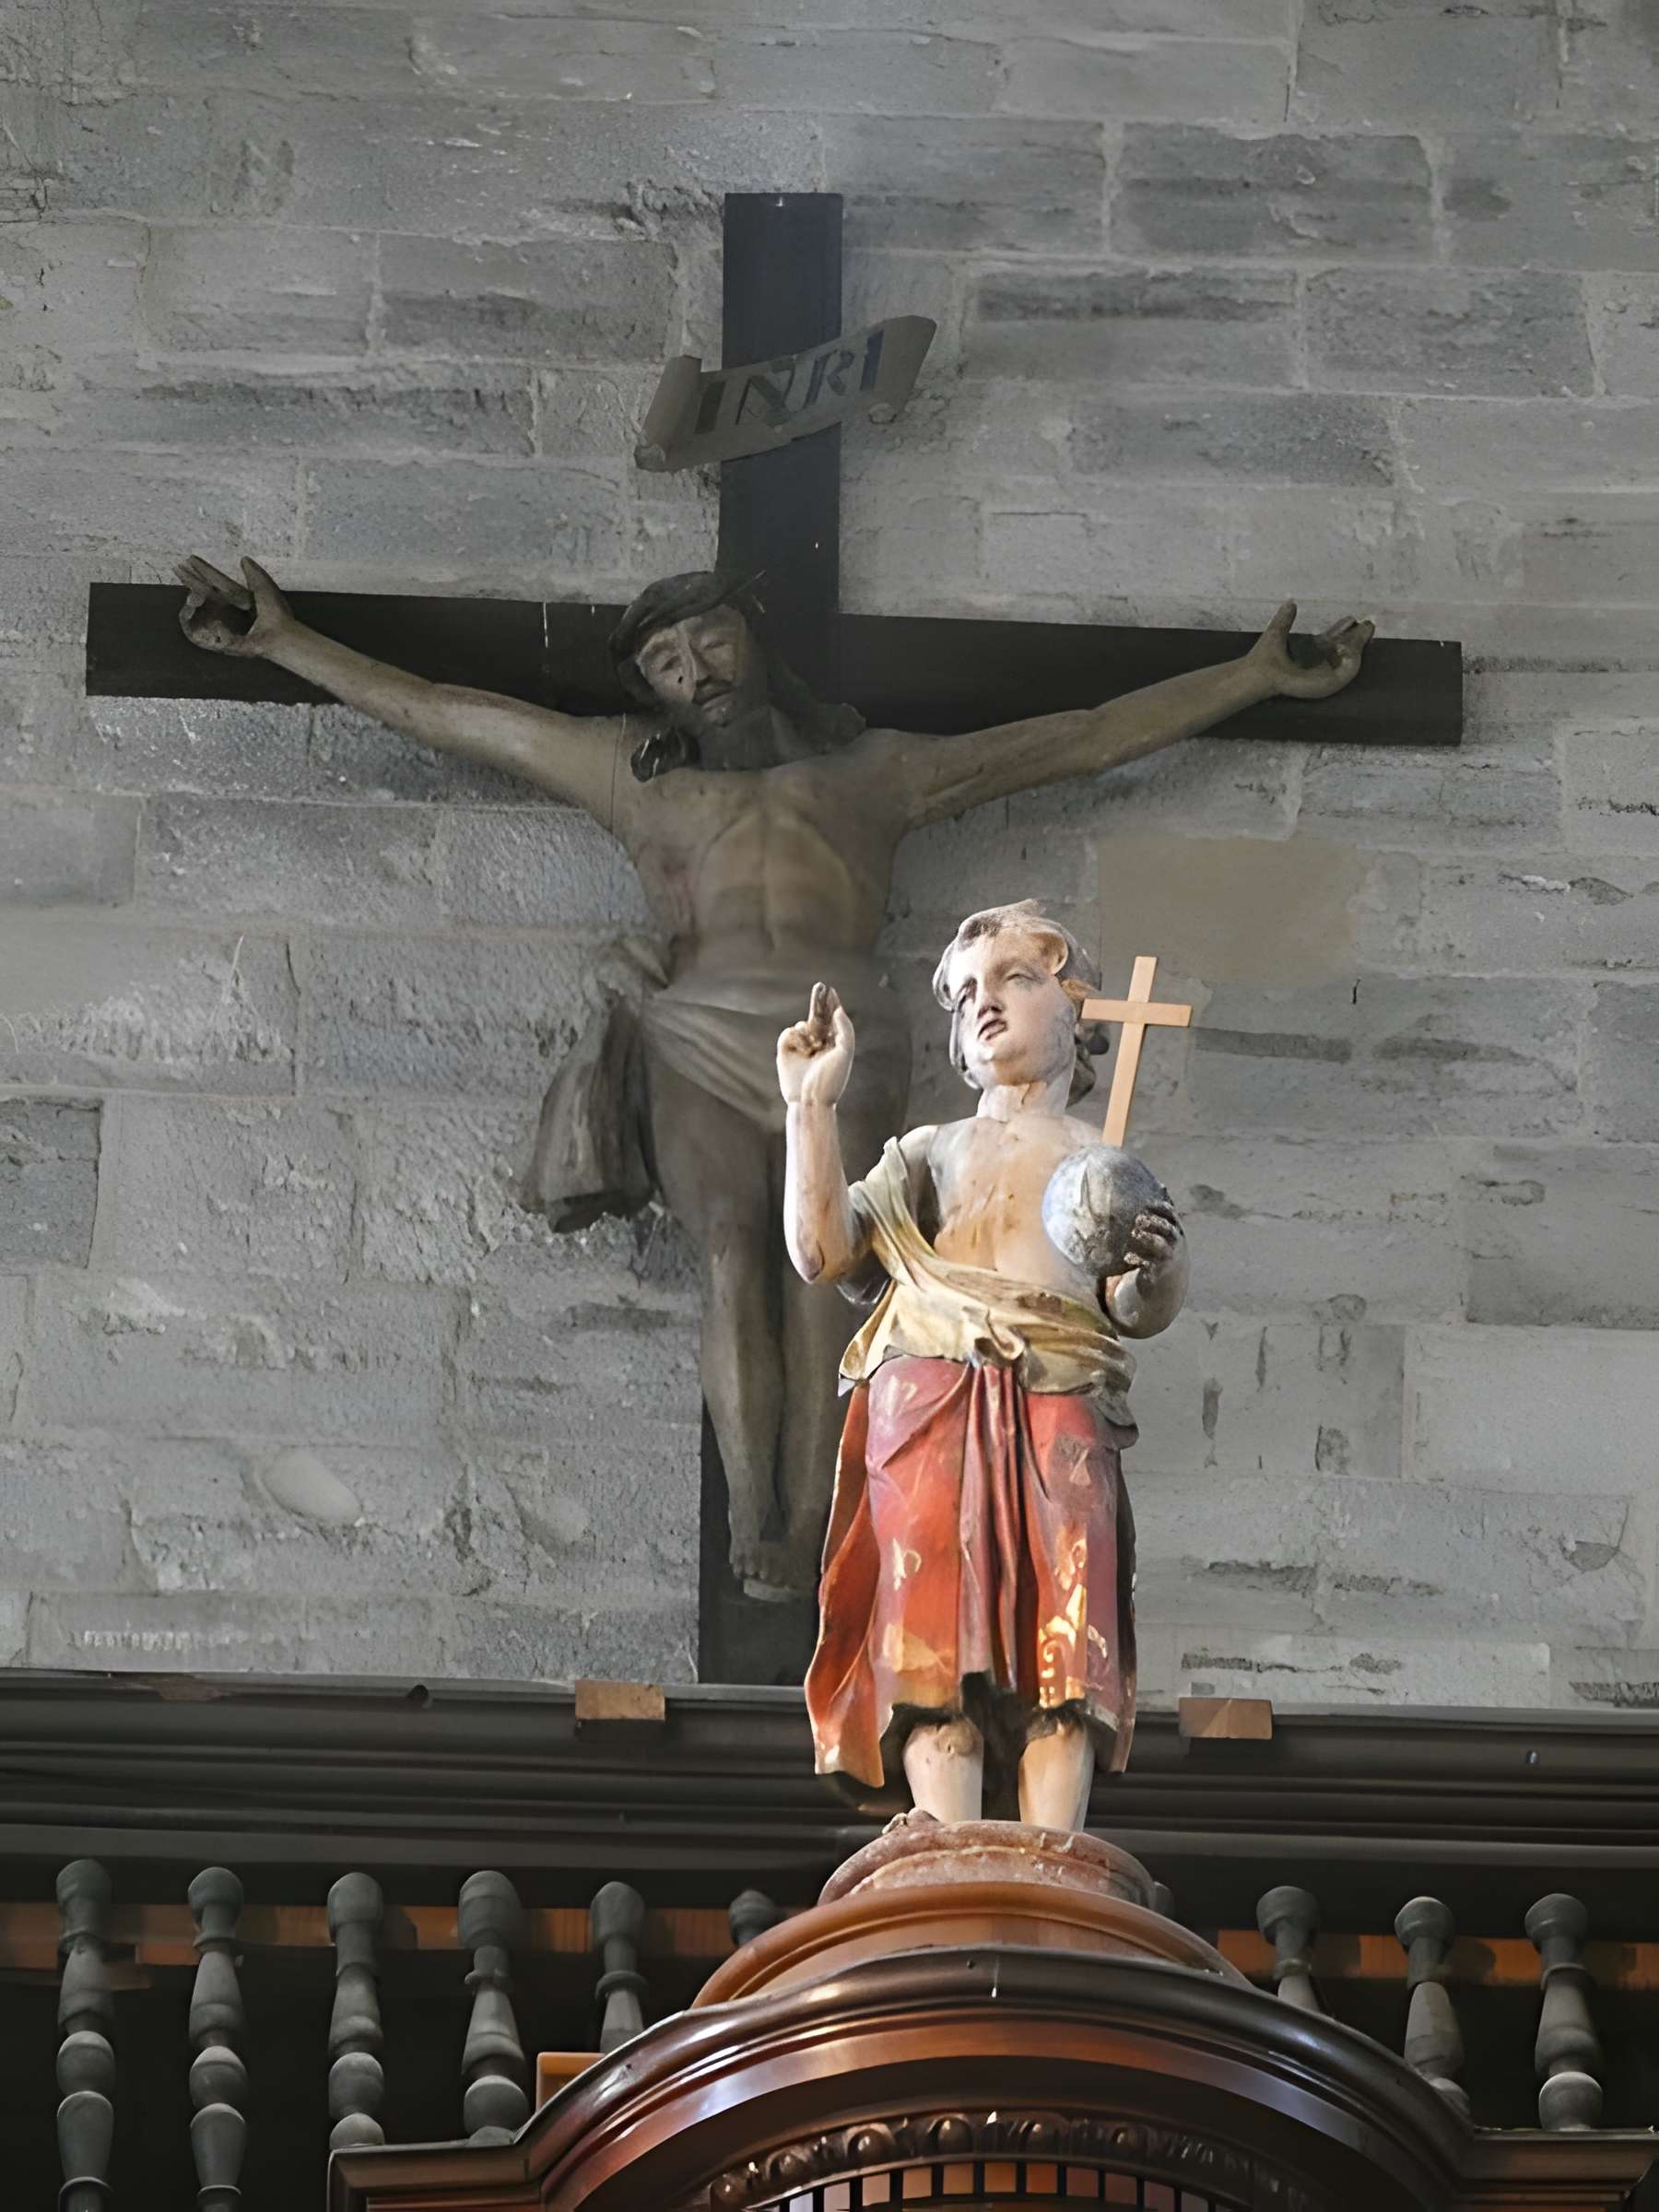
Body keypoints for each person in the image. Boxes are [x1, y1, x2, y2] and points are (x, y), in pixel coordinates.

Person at [176, 555, 1368, 1596]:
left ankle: (816, 1513)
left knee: (827, 1269)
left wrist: (1253, 677)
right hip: (697, 1027)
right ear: (645, 687)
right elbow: (448, 712)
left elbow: (1087, 734)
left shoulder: (877, 776)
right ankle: (762, 1523)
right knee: (735, 1248)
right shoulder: (633, 779)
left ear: (754, 641)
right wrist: (284, 640)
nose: (693, 669)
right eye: (663, 660)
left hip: (840, 1029)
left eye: (708, 639)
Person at [777, 900, 1188, 1831]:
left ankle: (1055, 1847)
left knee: (1066, 1620)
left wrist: (1157, 1268)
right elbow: (822, 1250)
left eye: (1014, 979)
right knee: (930, 1619)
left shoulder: (1097, 1158)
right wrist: (811, 1106)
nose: (986, 1005)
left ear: (1074, 1006)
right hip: (927, 1392)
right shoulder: (930, 1152)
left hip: (1059, 1393)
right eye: (966, 996)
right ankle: (949, 1833)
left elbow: (1132, 1307)